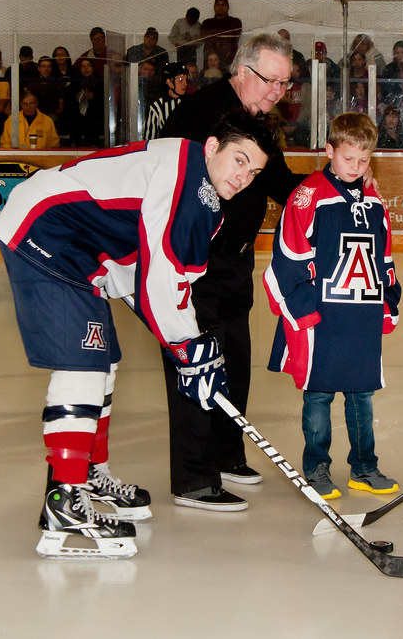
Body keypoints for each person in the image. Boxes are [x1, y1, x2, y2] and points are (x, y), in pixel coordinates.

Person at [0, 110, 277, 559]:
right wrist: (189, 347)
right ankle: (64, 500)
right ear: (211, 147)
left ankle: (86, 474)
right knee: (82, 362)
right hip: (46, 232)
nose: (244, 176)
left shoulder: (203, 198)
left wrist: (192, 347)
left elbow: (162, 279)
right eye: (239, 160)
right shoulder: (184, 179)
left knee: (103, 359)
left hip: (83, 252)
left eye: (254, 171)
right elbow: (161, 276)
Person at [158, 32, 305, 511]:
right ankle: (194, 479)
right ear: (242, 72)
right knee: (195, 364)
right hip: (194, 262)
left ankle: (225, 454)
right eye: (271, 81)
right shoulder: (202, 113)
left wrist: (333, 184)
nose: (278, 92)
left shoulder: (259, 121)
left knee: (234, 362)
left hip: (236, 261)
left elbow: (281, 181)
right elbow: (168, 178)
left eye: (285, 84)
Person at [263, 112, 401, 499]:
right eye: (348, 159)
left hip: (359, 316)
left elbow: (383, 257)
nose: (356, 168)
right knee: (319, 395)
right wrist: (304, 310)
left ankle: (364, 467)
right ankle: (317, 468)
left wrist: (388, 302)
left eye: (363, 160)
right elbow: (288, 256)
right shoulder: (308, 195)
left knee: (361, 394)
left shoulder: (373, 200)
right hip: (321, 319)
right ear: (329, 150)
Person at [143, 62, 188, 140]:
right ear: (169, 82)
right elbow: (149, 141)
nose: (185, 84)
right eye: (180, 80)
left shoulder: (191, 103)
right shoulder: (156, 107)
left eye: (186, 80)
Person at [200, 0, 242, 69]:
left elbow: (234, 37)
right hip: (210, 63)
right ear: (214, 7)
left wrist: (214, 34)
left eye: (223, 5)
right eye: (218, 5)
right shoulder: (207, 23)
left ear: (228, 7)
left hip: (228, 63)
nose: (220, 7)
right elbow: (204, 37)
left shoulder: (235, 22)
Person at [71, 57, 104, 147]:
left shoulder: (99, 82)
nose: (86, 68)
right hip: (79, 114)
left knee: (93, 119)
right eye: (83, 66)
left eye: (88, 66)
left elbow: (101, 100)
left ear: (93, 68)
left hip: (95, 114)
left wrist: (92, 96)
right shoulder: (75, 82)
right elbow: (70, 100)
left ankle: (93, 145)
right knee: (73, 119)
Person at [26, 56, 67, 126]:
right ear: (39, 68)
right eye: (43, 66)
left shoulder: (57, 84)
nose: (46, 69)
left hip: (52, 115)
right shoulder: (32, 84)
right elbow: (28, 104)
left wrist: (52, 114)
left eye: (49, 67)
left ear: (51, 69)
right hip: (35, 114)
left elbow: (61, 106)